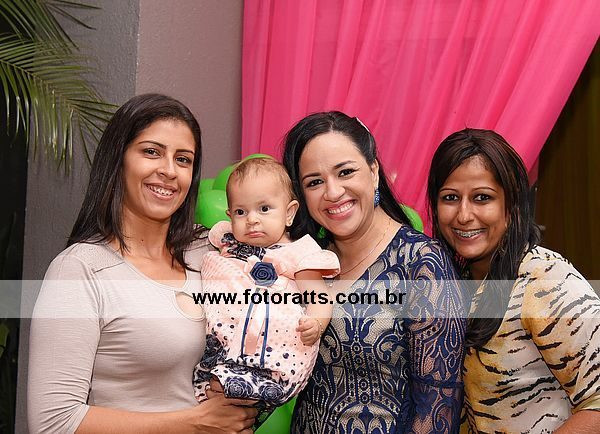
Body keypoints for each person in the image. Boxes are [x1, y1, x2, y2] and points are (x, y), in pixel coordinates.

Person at [27, 93, 257, 433]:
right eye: (151, 152)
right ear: (118, 159)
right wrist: (196, 423)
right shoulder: (80, 270)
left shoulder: (209, 252)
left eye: (183, 159)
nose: (169, 171)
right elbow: (53, 422)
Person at [282, 111, 467, 434]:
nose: (333, 192)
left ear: (374, 171)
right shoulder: (304, 260)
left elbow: (437, 408)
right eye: (314, 182)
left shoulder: (422, 263)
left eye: (345, 172)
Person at [427, 128, 600, 433]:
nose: (463, 215)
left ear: (512, 204)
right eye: (450, 198)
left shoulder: (544, 278)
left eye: (482, 198)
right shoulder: (457, 282)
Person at [192, 157, 340, 408]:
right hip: (226, 350)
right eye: (241, 212)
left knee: (236, 396)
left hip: (276, 354)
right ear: (230, 216)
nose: (251, 219)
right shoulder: (227, 244)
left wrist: (316, 323)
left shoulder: (299, 254)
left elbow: (320, 298)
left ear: (289, 213)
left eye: (264, 209)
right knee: (216, 391)